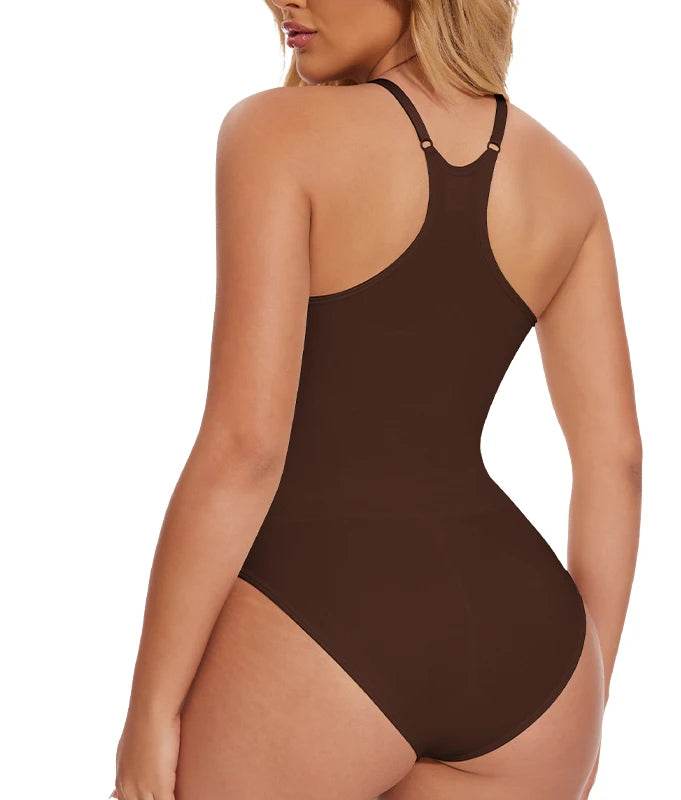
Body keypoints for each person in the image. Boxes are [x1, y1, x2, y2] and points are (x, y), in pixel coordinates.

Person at [113, 1, 642, 798]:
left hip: (329, 617)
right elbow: (615, 462)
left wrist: (149, 713)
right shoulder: (565, 179)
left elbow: (245, 450)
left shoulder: (278, 133)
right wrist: (589, 691)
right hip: (537, 668)